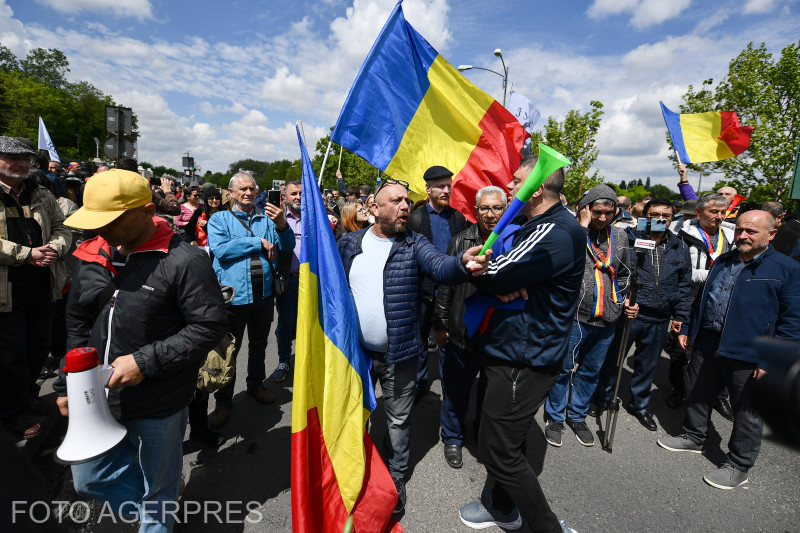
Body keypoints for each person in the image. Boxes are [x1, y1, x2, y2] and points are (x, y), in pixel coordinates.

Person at [54, 169, 227, 532]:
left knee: (158, 488)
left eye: (112, 220)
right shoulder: (90, 253)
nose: (102, 229)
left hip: (159, 401)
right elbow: (78, 323)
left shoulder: (185, 260)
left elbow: (209, 326)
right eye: (95, 220)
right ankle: (160, 507)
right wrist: (68, 383)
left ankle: (159, 511)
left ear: (148, 211)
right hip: (96, 398)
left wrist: (144, 362)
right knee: (89, 479)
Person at [338, 179, 488, 516]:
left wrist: (462, 264)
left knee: (398, 422)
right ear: (373, 208)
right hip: (355, 356)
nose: (405, 206)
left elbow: (440, 266)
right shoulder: (348, 244)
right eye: (396, 201)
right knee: (354, 416)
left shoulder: (415, 243)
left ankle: (394, 478)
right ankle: (356, 471)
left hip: (400, 355)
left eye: (407, 201)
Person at [458, 155, 584, 533]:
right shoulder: (539, 225)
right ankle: (501, 507)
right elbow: (503, 271)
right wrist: (501, 276)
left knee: (498, 450)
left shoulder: (554, 231)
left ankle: (548, 528)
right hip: (514, 349)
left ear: (537, 189)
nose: (509, 187)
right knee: (507, 440)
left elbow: (492, 272)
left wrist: (489, 274)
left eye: (516, 181)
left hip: (524, 358)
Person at [658, 210, 800, 490]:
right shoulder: (724, 260)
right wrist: (688, 328)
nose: (743, 236)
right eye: (739, 230)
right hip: (708, 342)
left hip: (751, 352)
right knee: (697, 391)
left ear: (772, 234)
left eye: (751, 231)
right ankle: (694, 436)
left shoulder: (787, 269)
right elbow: (704, 298)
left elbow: (793, 322)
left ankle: (738, 464)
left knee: (747, 411)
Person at [543, 184, 635, 448]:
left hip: (607, 318)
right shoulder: (571, 231)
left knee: (591, 371)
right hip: (575, 316)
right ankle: (555, 417)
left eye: (609, 212)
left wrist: (621, 301)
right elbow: (562, 261)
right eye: (597, 212)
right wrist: (581, 226)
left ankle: (577, 415)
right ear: (585, 209)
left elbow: (625, 272)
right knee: (562, 369)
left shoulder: (620, 236)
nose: (603, 217)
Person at [593, 198, 692, 431]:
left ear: (672, 218)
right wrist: (624, 297)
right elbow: (614, 274)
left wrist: (680, 316)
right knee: (614, 360)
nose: (660, 219)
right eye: (654, 215)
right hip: (629, 313)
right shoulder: (627, 239)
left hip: (660, 316)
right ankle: (602, 398)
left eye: (666, 216)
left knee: (647, 366)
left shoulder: (679, 245)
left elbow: (684, 285)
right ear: (644, 216)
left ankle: (639, 406)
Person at [206, 172, 295, 428]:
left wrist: (282, 225)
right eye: (242, 189)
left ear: (257, 192)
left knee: (259, 344)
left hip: (263, 295)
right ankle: (224, 401)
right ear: (231, 192)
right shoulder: (219, 219)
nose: (248, 192)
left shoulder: (267, 218)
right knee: (228, 351)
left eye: (252, 189)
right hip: (234, 298)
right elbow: (221, 249)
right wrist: (258, 242)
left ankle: (255, 385)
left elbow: (287, 246)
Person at [0, 137, 71, 440]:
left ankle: (27, 397)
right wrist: (26, 254)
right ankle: (12, 413)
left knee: (38, 347)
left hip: (43, 285)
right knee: (10, 354)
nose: (20, 164)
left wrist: (55, 248)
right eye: (12, 157)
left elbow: (62, 227)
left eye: (25, 158)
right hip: (6, 290)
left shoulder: (41, 192)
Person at [434, 185, 506, 469]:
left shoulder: (513, 240)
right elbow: (446, 286)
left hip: (498, 333)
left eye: (497, 208)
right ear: (476, 211)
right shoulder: (461, 240)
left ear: (505, 210)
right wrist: (441, 324)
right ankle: (452, 437)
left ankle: (481, 434)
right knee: (456, 390)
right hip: (462, 330)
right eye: (485, 208)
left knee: (491, 393)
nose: (490, 214)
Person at [670, 193, 735, 417]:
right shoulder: (681, 234)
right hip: (689, 299)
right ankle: (679, 389)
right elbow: (677, 268)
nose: (719, 216)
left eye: (722, 212)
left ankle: (719, 396)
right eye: (713, 211)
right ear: (698, 212)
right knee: (681, 349)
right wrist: (709, 275)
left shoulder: (732, 236)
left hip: (720, 300)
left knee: (721, 350)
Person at [410, 165, 470, 400]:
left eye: (448, 186)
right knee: (420, 340)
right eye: (440, 186)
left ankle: (449, 386)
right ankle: (419, 383)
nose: (446, 190)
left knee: (448, 340)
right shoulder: (416, 218)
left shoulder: (457, 218)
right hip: (423, 292)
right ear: (428, 188)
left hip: (450, 293)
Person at [272, 179, 302, 383]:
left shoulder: (315, 218)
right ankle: (284, 360)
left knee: (309, 323)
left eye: (301, 193)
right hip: (287, 280)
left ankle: (307, 359)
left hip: (310, 281)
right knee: (285, 322)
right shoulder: (276, 219)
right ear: (285, 196)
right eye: (294, 193)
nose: (298, 197)